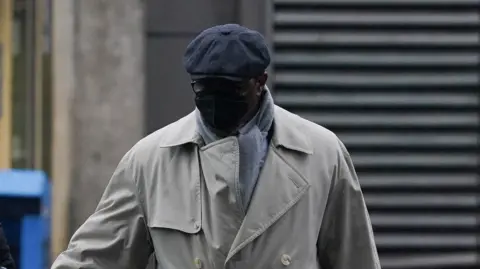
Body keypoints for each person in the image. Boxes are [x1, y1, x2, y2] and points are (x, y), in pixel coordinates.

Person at [52, 24, 381, 269]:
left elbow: (355, 258)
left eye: (230, 89)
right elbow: (93, 258)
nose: (214, 99)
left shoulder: (322, 154)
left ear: (260, 81)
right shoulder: (150, 161)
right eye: (204, 87)